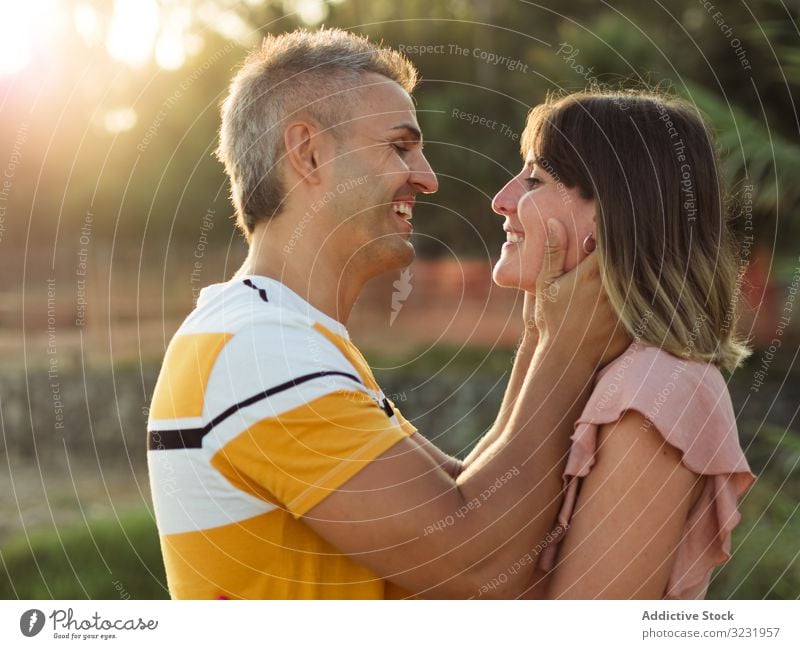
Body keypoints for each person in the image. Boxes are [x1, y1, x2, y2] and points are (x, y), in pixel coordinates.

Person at [146, 29, 626, 599]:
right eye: (400, 146)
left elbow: (473, 498)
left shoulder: (281, 340)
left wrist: (542, 331)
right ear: (309, 153)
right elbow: (476, 566)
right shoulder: (257, 351)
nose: (427, 177)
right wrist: (566, 349)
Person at [491, 89, 755, 599]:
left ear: (610, 215)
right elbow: (472, 523)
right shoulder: (595, 369)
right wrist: (540, 340)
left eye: (535, 179)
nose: (502, 200)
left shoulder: (654, 393)